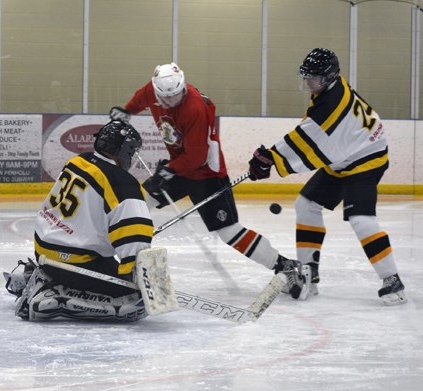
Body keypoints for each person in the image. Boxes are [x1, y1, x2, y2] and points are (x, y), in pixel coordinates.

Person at [109, 62, 305, 298]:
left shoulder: (194, 108)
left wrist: (169, 169)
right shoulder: (155, 90)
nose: (172, 101)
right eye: (166, 97)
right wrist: (127, 111)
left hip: (207, 174)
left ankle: (284, 265)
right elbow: (142, 97)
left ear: (182, 85)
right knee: (139, 201)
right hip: (179, 167)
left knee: (228, 231)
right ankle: (124, 260)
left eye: (176, 95)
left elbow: (197, 157)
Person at [247, 48, 407, 305]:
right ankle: (309, 271)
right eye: (306, 77)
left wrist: (272, 158)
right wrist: (272, 157)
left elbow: (308, 137)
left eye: (313, 78)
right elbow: (313, 132)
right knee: (306, 205)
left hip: (367, 160)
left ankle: (392, 280)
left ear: (329, 76)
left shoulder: (333, 104)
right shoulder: (330, 89)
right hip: (345, 157)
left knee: (361, 220)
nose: (308, 82)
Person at [4, 120, 155, 321]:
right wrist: (140, 277)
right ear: (125, 151)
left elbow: (84, 214)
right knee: (136, 300)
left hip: (43, 252)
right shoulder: (122, 182)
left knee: (102, 263)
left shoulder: (78, 160)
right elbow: (135, 236)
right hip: (74, 265)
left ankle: (38, 276)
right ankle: (55, 299)